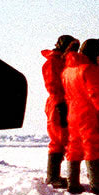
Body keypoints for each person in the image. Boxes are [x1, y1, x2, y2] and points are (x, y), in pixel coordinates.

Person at [62, 38, 99, 195]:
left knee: (74, 146)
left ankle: (72, 183)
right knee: (92, 147)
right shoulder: (89, 69)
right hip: (88, 114)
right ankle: (98, 185)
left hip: (72, 113)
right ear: (94, 52)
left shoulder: (67, 70)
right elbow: (95, 93)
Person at [40, 35, 78, 187]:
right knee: (58, 138)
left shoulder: (63, 62)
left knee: (65, 138)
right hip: (57, 104)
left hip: (65, 103)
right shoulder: (52, 63)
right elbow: (53, 85)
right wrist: (61, 105)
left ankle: (55, 175)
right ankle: (52, 176)